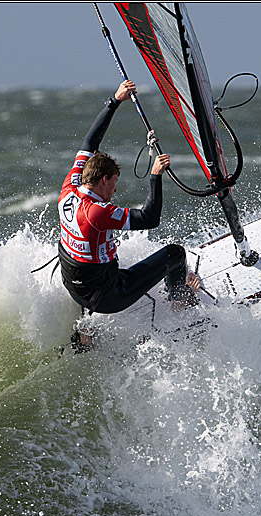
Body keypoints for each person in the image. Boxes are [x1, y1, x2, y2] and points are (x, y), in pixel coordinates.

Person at [58, 80, 200, 348]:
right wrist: (155, 176)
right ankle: (181, 301)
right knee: (175, 254)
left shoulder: (69, 187)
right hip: (108, 297)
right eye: (114, 182)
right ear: (103, 179)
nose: (114, 189)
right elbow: (149, 219)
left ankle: (85, 328)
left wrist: (115, 101)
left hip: (74, 286)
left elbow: (90, 141)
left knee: (79, 251)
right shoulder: (97, 212)